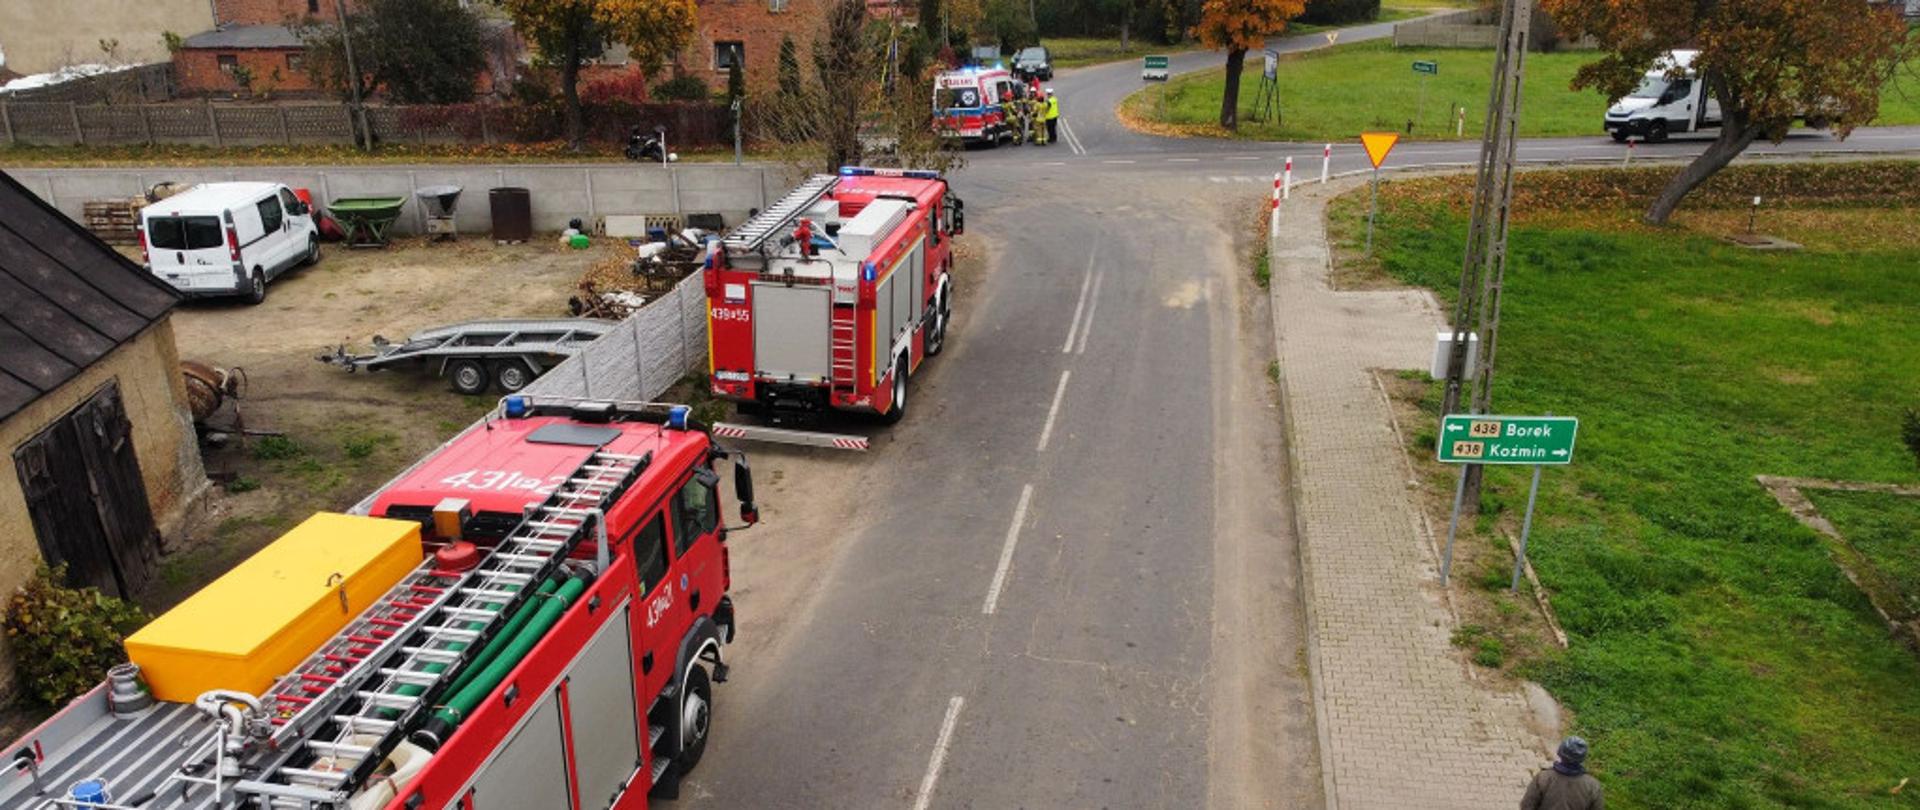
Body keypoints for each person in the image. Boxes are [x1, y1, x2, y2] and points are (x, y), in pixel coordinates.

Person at [1522, 737, 1604, 810]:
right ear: (1583, 758)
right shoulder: (1593, 786)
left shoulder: (1543, 778)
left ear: (1560, 752)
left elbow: (1527, 806)